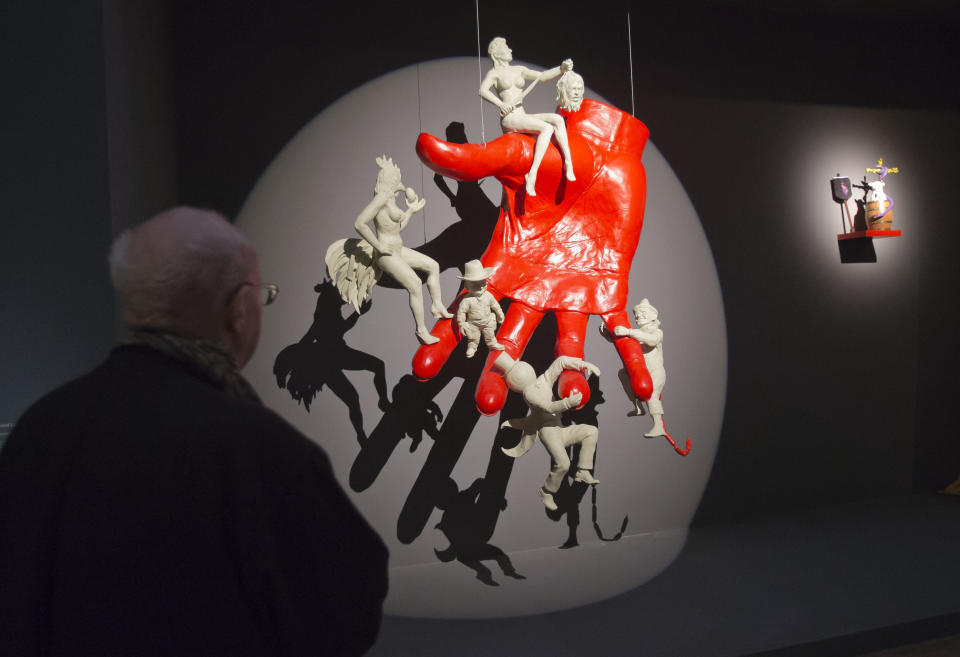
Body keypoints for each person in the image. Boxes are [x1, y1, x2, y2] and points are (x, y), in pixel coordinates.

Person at [0, 207, 388, 656]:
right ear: (240, 310)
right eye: (262, 295)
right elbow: (346, 611)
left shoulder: (40, 429)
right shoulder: (257, 449)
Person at [328, 155, 451, 345]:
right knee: (416, 284)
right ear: (389, 180)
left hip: (399, 249)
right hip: (386, 254)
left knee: (433, 266)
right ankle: (421, 331)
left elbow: (396, 228)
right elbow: (360, 223)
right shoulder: (381, 198)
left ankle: (437, 306)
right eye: (396, 179)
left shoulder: (391, 200)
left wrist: (411, 210)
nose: (399, 182)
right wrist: (378, 245)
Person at [494, 352, 601, 512]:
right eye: (516, 372)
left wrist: (584, 365)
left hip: (558, 427)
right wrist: (567, 402)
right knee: (563, 464)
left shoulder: (542, 380)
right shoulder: (529, 394)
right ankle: (546, 491)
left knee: (591, 431)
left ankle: (583, 471)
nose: (521, 372)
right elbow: (549, 406)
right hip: (547, 431)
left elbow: (561, 362)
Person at [479, 37, 576, 197]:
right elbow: (483, 90)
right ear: (496, 53)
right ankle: (532, 174)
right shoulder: (494, 73)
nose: (510, 50)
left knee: (557, 119)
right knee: (546, 127)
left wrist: (561, 68)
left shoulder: (519, 70)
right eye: (506, 47)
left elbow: (543, 76)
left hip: (521, 113)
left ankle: (568, 162)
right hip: (510, 117)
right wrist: (501, 104)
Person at [455, 259, 505, 358]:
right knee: (473, 338)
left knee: (490, 335)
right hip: (473, 323)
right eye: (476, 285)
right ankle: (472, 347)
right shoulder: (467, 300)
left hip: (487, 321)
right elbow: (461, 312)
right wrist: (462, 324)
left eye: (483, 283)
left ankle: (492, 344)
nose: (481, 287)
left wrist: (500, 314)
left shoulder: (488, 296)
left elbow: (495, 305)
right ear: (467, 286)